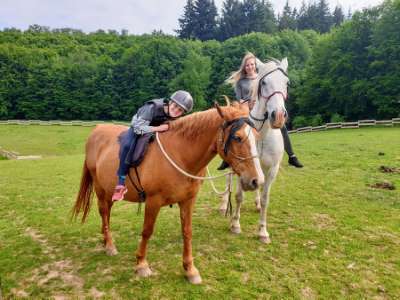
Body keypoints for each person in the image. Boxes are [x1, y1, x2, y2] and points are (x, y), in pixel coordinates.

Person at [218, 52, 303, 170]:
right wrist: (248, 103)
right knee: (233, 127)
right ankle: (226, 159)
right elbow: (239, 98)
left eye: (252, 64)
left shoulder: (262, 77)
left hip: (261, 108)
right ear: (244, 67)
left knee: (281, 126)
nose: (250, 67)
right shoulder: (240, 82)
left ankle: (291, 156)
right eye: (247, 65)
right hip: (245, 108)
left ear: (255, 65)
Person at [112, 90, 194, 201]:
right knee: (127, 145)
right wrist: (157, 129)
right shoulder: (152, 107)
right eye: (175, 106)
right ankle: (121, 183)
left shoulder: (176, 117)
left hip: (154, 131)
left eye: (180, 110)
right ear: (170, 102)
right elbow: (137, 128)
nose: (176, 111)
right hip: (138, 128)